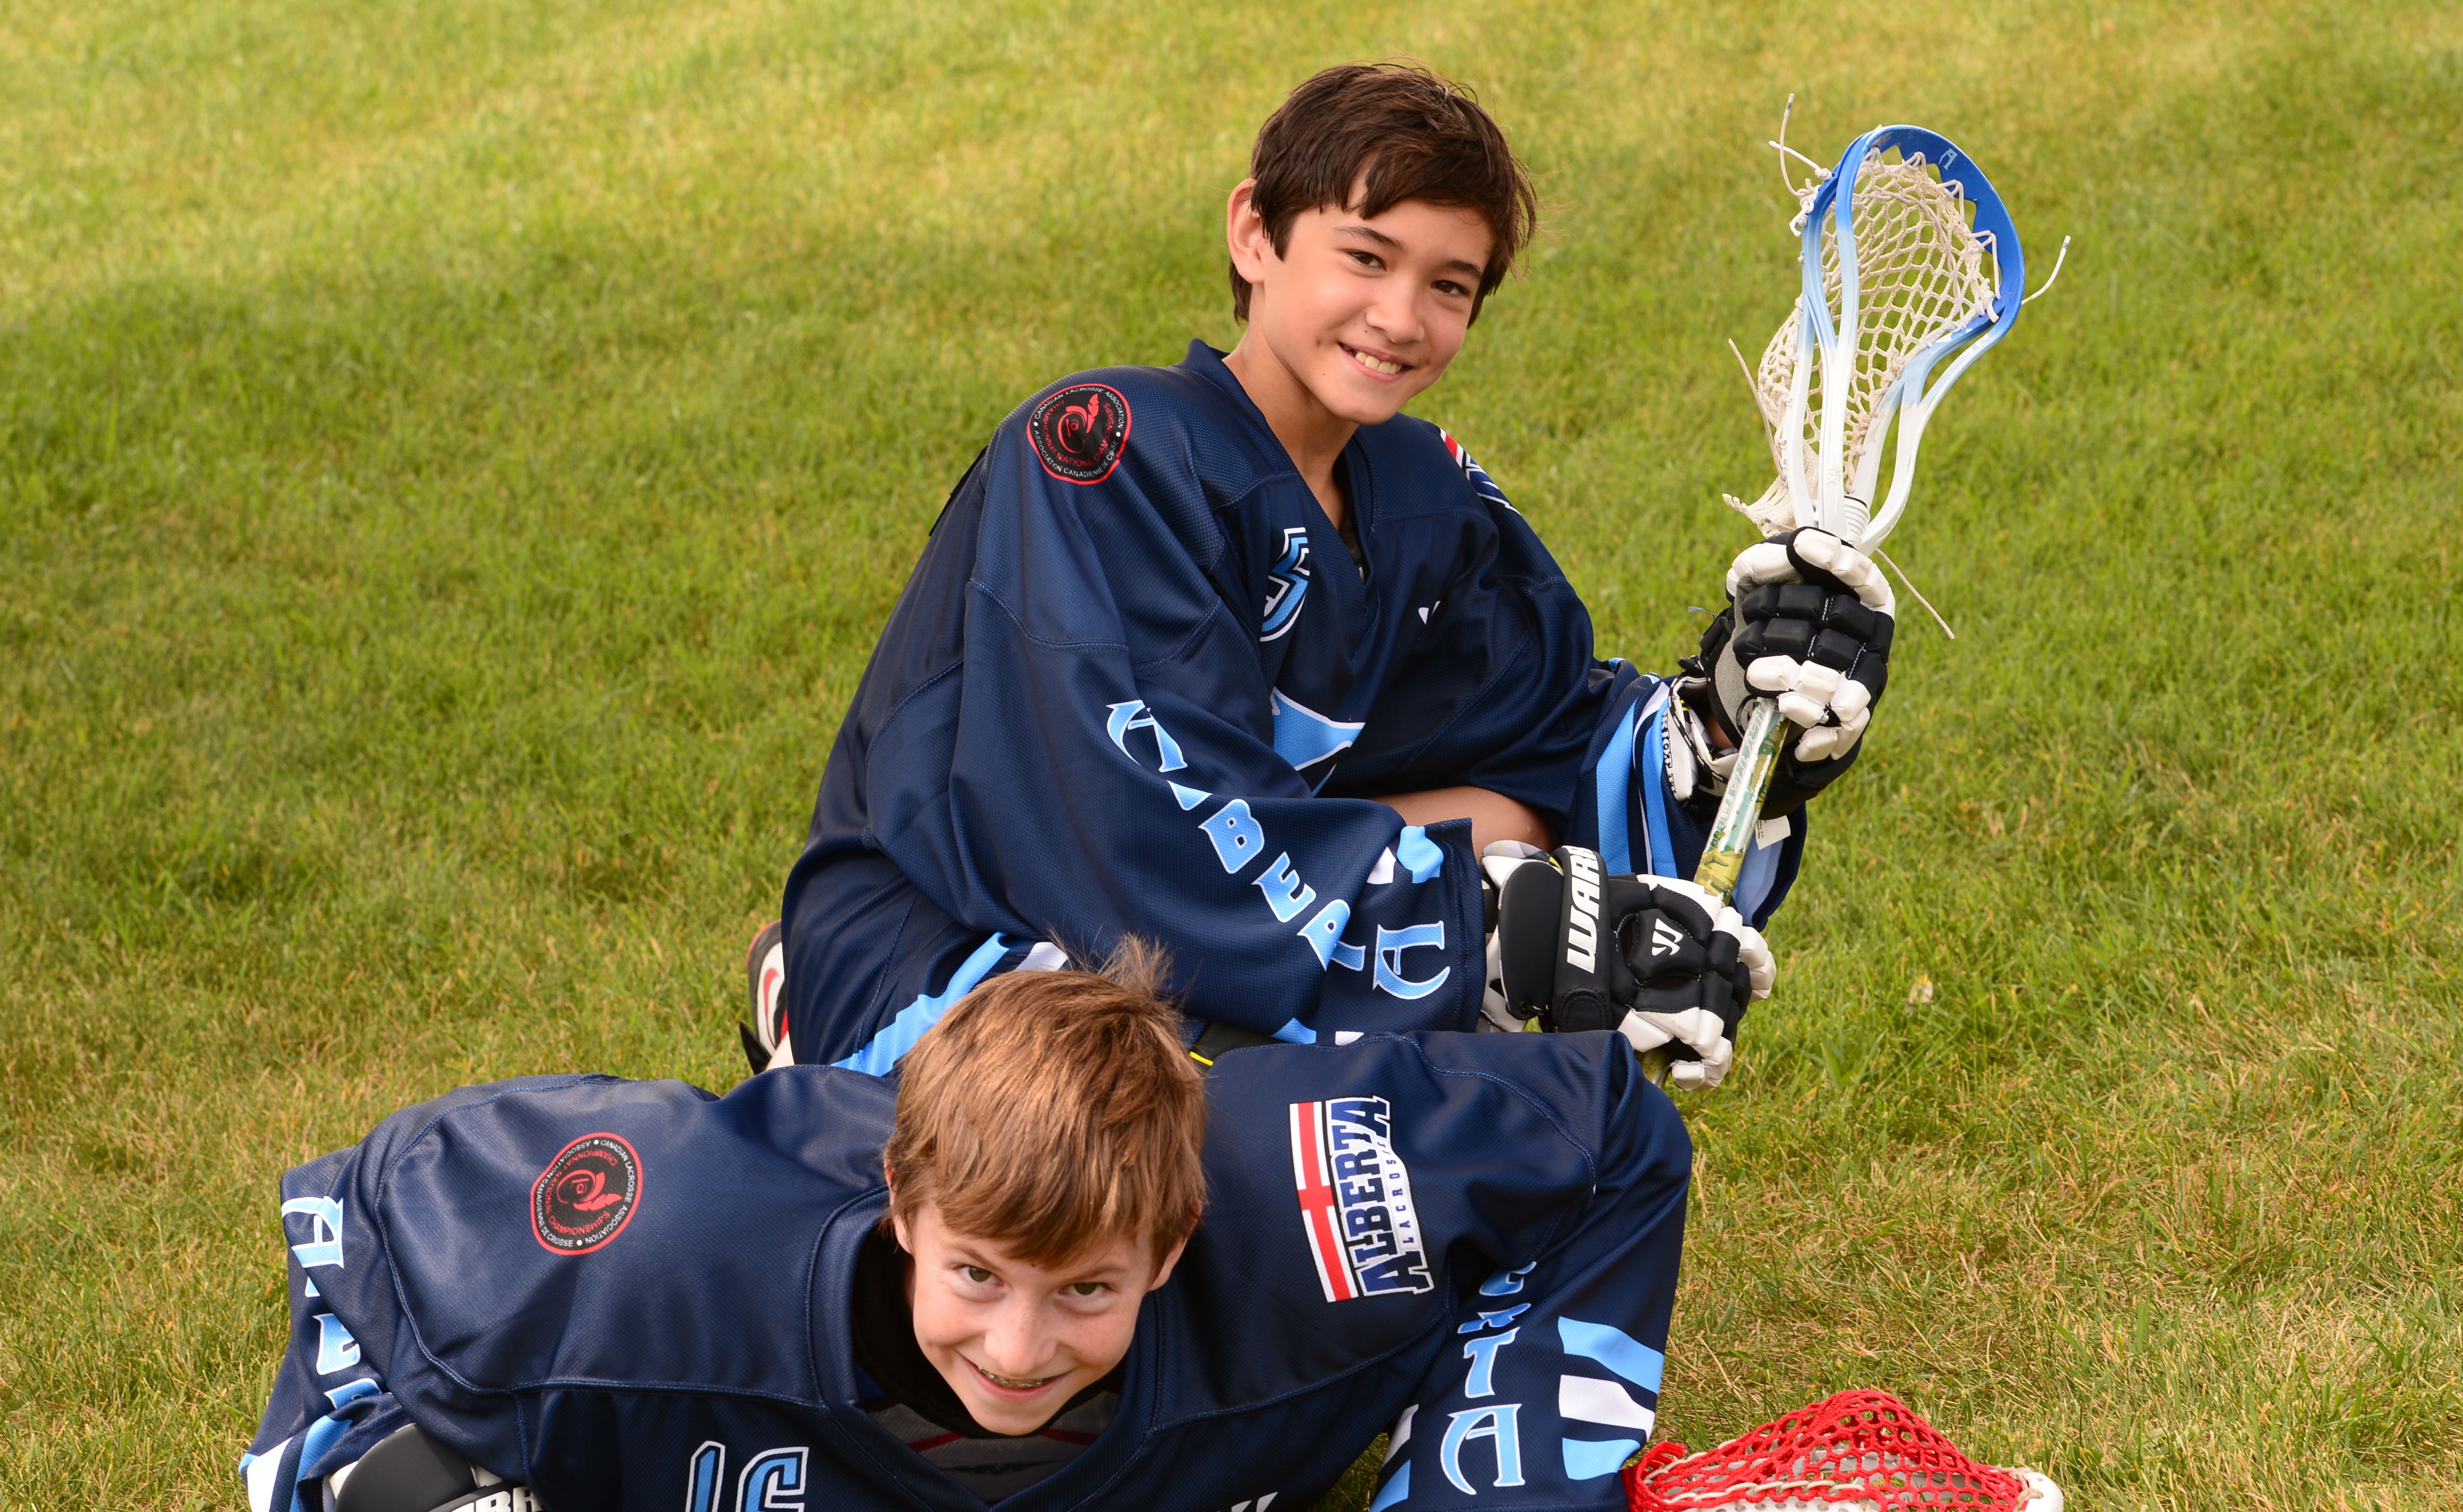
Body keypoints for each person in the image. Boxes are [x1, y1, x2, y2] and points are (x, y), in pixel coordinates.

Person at [753, 61, 1897, 1084]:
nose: (1398, 317)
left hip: (1190, 921)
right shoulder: (1105, 449)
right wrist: (1487, 929)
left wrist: (1727, 719)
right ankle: (805, 1018)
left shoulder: (1422, 494)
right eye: (1364, 256)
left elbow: (1552, 737)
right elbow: (1137, 813)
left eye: (1449, 285)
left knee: (1516, 877)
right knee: (1191, 1160)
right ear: (1256, 234)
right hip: (960, 936)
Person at [243, 950, 1697, 1512]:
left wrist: (1506, 1465)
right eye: (974, 1275)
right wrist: (394, 1477)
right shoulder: (652, 1258)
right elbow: (354, 1214)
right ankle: (831, 993)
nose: (1015, 1351)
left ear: (1176, 1247)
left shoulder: (1319, 1208)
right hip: (786, 1154)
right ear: (904, 1212)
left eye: (1085, 1290)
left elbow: (1611, 1134)